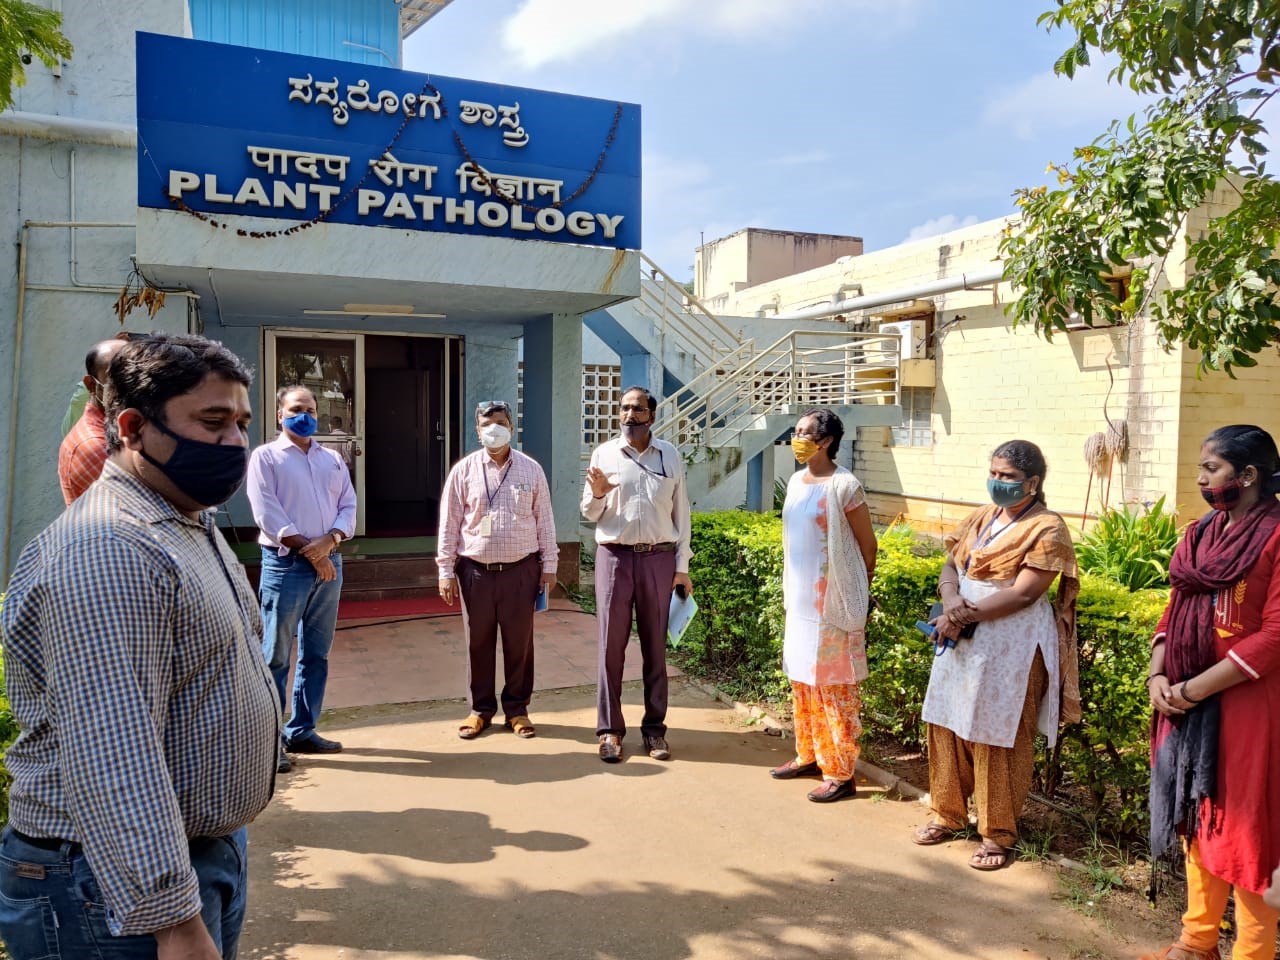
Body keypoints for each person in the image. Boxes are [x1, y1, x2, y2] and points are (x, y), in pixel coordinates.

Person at [0, 333, 279, 959]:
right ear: (131, 426)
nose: (236, 442)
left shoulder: (183, 517)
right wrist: (173, 920)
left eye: (240, 422)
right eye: (213, 422)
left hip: (195, 853)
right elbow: (113, 751)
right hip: (110, 887)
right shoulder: (111, 550)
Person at [1140, 425, 1280, 960]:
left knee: (1249, 831)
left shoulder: (1276, 535)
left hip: (1251, 704)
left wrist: (1194, 688)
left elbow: (1273, 636)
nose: (1200, 479)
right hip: (1187, 698)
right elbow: (1174, 610)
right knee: (1197, 815)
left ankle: (1253, 950)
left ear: (1247, 476)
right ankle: (1197, 941)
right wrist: (1159, 674)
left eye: (1210, 469)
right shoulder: (1201, 534)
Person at [912, 439, 1080, 871]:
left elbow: (1025, 592)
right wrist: (952, 604)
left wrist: (963, 615)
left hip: (1012, 642)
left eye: (1007, 477)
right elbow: (951, 566)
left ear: (1033, 482)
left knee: (997, 732)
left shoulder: (1047, 527)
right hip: (961, 631)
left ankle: (996, 833)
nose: (997, 482)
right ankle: (947, 814)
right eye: (994, 473)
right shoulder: (982, 517)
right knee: (946, 720)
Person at [768, 409, 877, 802]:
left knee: (834, 687)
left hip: (832, 604)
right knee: (802, 682)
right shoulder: (798, 480)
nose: (798, 437)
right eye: (796, 431)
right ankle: (809, 755)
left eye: (805, 432)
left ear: (826, 441)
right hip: (799, 604)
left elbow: (868, 546)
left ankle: (841, 772)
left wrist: (857, 593)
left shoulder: (845, 485)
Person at [247, 385, 356, 773]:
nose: (305, 415)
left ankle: (302, 730)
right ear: (280, 415)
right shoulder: (266, 458)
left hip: (330, 564)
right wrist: (312, 552)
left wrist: (331, 541)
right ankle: (268, 742)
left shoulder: (332, 459)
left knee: (316, 654)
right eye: (296, 409)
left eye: (310, 409)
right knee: (275, 656)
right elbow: (267, 512)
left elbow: (348, 504)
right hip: (286, 567)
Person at [582, 386, 693, 763]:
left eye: (637, 409)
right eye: (624, 409)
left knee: (655, 650)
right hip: (614, 558)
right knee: (610, 647)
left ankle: (654, 731)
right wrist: (597, 495)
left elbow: (683, 517)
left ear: (652, 416)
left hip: (659, 561)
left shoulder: (670, 456)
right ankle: (610, 730)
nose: (629, 415)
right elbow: (589, 512)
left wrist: (682, 568)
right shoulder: (604, 454)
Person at [437, 400, 558, 739]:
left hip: (521, 571)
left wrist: (550, 565)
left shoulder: (531, 469)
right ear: (478, 430)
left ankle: (517, 710)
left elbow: (545, 519)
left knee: (520, 643)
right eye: (487, 424)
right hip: (475, 571)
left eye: (501, 422)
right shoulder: (463, 471)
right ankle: (480, 709)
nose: (495, 429)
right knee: (479, 642)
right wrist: (445, 570)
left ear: (511, 427)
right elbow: (449, 524)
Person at [57, 332, 133, 503]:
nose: (127, 386)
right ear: (91, 385)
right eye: (116, 379)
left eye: (133, 377)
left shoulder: (117, 425)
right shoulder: (95, 445)